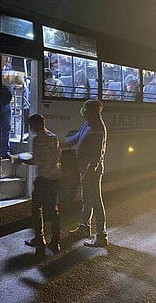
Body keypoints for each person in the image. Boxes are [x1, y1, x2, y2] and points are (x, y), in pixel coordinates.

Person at [63, 99, 108, 247]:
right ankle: (84, 228)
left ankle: (101, 236)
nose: (83, 111)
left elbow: (96, 156)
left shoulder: (98, 129)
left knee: (96, 202)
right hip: (85, 171)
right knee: (87, 200)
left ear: (93, 112)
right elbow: (74, 140)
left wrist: (88, 173)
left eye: (85, 109)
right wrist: (58, 144)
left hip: (92, 172)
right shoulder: (87, 124)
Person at [22, 114, 62, 254]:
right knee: (53, 211)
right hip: (55, 178)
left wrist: (23, 160)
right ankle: (55, 242)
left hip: (43, 179)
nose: (30, 129)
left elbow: (36, 160)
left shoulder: (38, 139)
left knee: (36, 208)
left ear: (35, 125)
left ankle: (40, 238)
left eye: (30, 126)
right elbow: (57, 155)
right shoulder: (53, 136)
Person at [0, 84, 12, 158]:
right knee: (6, 129)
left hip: (2, 102)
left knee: (5, 128)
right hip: (5, 102)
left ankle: (4, 151)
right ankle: (5, 151)